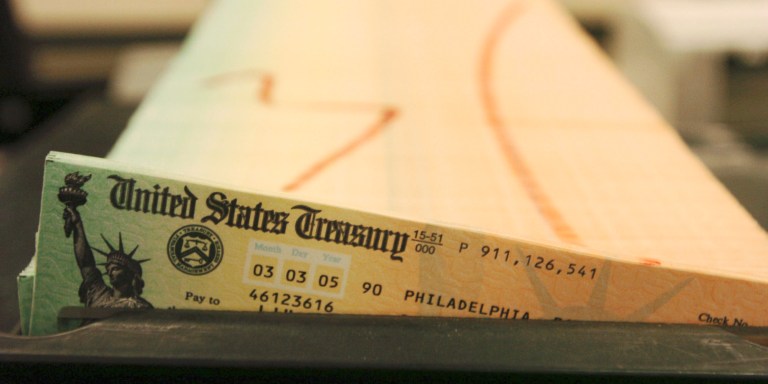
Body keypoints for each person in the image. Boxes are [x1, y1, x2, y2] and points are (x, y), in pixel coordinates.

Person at [63, 206, 152, 309]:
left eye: (115, 269)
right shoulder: (99, 294)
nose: (110, 273)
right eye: (108, 269)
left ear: (129, 273)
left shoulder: (142, 307)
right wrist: (78, 224)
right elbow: (86, 264)